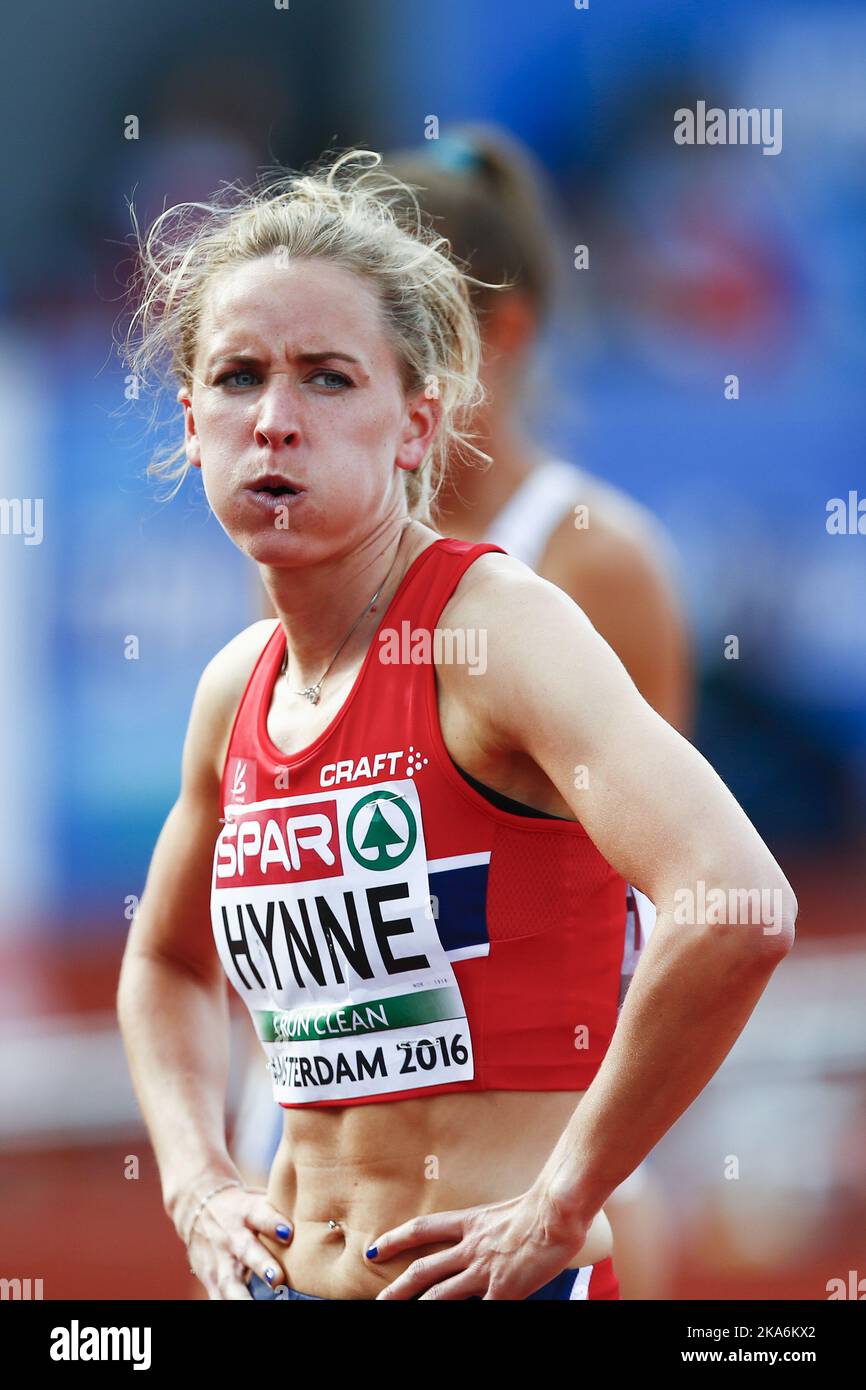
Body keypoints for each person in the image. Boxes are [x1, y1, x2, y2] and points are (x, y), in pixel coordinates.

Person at [116, 147, 797, 1301]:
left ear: (418, 424)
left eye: (328, 378)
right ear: (190, 420)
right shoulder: (239, 684)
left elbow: (734, 904)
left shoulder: (509, 624)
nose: (275, 421)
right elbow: (164, 959)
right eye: (238, 378)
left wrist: (566, 1200)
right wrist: (195, 1178)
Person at [231, 127, 690, 1296]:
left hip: (526, 1106)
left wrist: (579, 1185)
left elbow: (666, 891)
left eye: (354, 358)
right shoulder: (310, 538)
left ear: (494, 340)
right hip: (316, 1101)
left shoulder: (584, 561)